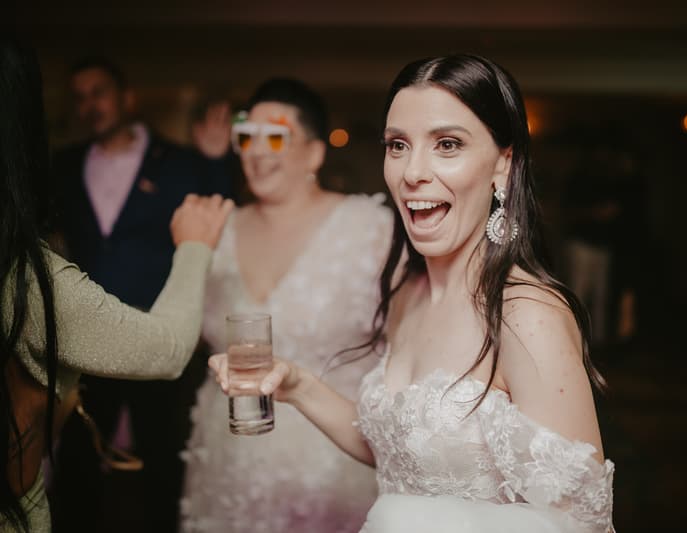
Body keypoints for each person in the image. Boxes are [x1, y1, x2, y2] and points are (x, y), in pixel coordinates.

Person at [210, 55, 615, 532]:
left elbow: (579, 524)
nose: (412, 172)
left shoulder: (526, 315)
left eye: (447, 144)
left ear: (503, 166)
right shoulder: (408, 294)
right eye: (398, 145)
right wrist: (297, 385)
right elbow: (398, 448)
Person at [0, 40, 233, 533]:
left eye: (99, 93)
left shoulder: (179, 161)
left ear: (127, 98)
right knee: (78, 464)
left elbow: (216, 214)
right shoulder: (59, 166)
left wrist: (216, 161)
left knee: (163, 464)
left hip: (161, 324)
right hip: (77, 336)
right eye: (79, 97)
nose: (89, 106)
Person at [180, 79, 390, 533]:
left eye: (274, 136)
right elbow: (183, 332)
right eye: (246, 137)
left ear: (314, 153)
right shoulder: (219, 229)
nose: (256, 151)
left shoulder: (370, 228)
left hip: (335, 460)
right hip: (228, 455)